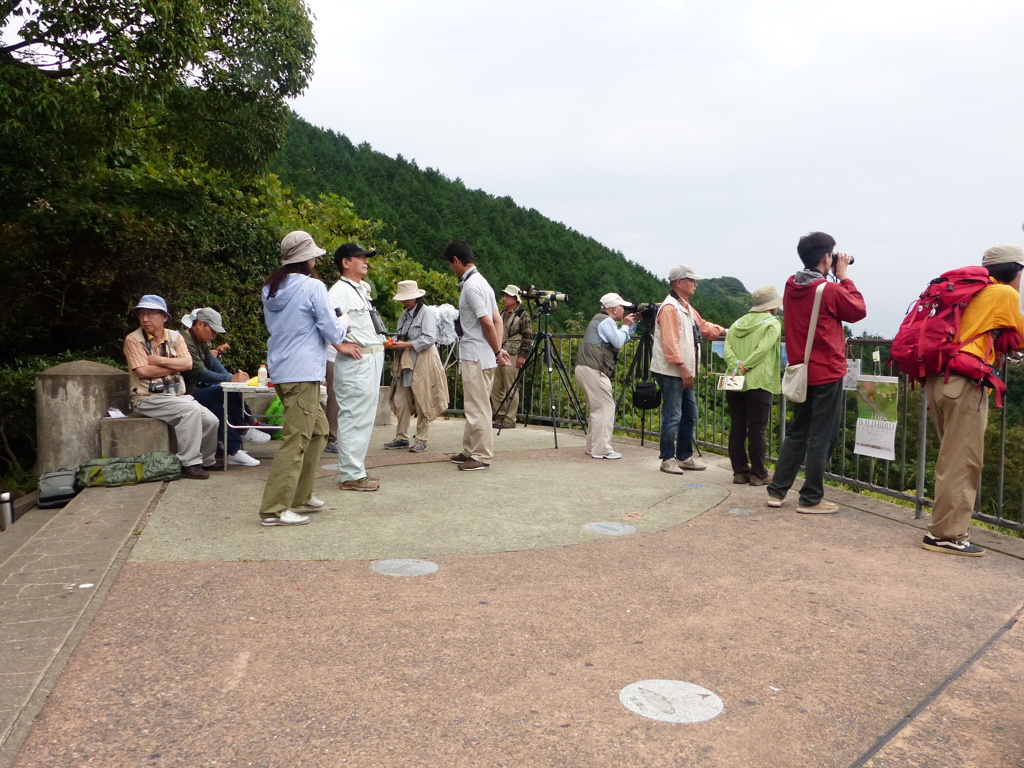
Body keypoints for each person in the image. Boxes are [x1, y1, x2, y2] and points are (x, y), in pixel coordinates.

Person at [922, 244, 1024, 556]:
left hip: (938, 380)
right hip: (966, 383)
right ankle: (947, 535)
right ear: (1014, 272)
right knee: (962, 462)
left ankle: (945, 528)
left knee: (950, 459)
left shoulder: (967, 292)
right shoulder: (1004, 294)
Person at [767, 232, 866, 513]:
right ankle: (811, 498)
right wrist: (844, 275)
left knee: (798, 431)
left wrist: (830, 271)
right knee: (823, 435)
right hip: (826, 372)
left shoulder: (791, 284)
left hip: (801, 370)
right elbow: (858, 310)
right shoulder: (830, 290)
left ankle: (777, 491)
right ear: (826, 257)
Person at [258, 230, 350, 527]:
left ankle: (300, 495)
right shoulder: (313, 287)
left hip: (283, 370)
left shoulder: (271, 288)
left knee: (319, 430)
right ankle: (274, 509)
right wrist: (344, 320)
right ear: (306, 258)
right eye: (314, 255)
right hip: (304, 373)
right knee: (296, 439)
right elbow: (333, 333)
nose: (316, 259)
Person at [123, 295, 220, 479]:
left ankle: (207, 460)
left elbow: (188, 365)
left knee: (211, 421)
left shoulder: (175, 336)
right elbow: (143, 372)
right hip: (147, 398)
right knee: (190, 411)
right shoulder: (133, 340)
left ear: (164, 317)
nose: (145, 319)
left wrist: (158, 361)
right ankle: (188, 463)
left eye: (151, 314)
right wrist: (173, 365)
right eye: (142, 314)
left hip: (176, 395)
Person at [650, 266, 727, 475]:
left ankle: (684, 456)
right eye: (692, 280)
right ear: (679, 282)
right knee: (673, 415)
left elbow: (703, 327)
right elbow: (670, 344)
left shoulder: (685, 307)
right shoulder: (669, 308)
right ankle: (667, 459)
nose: (695, 284)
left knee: (690, 414)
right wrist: (683, 368)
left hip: (683, 371)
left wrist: (727, 331)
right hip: (672, 371)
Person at [444, 239, 511, 471]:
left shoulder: (472, 286)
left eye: (451, 265)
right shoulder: (483, 283)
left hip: (476, 355)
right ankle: (469, 450)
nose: (452, 269)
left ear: (456, 260)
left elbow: (486, 322)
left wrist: (495, 350)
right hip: (485, 355)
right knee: (475, 404)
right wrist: (498, 349)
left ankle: (481, 455)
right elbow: (498, 320)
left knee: (478, 406)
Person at [329, 242, 386, 491]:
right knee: (353, 415)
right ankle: (350, 475)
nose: (366, 261)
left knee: (363, 417)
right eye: (360, 257)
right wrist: (339, 344)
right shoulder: (338, 291)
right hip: (357, 360)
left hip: (370, 358)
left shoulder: (358, 289)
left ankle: (356, 469)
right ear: (345, 262)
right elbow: (323, 318)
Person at [180, 307, 261, 467]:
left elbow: (213, 363)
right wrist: (231, 379)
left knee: (218, 406)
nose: (214, 335)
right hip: (185, 392)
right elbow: (200, 373)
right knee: (223, 391)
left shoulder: (200, 341)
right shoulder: (185, 341)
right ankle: (244, 428)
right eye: (212, 330)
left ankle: (233, 451)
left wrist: (233, 380)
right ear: (200, 324)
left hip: (195, 390)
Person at [723, 286, 783, 486]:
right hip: (759, 381)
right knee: (757, 429)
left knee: (737, 428)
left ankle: (739, 472)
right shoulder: (773, 324)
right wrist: (746, 367)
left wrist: (737, 367)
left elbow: (728, 348)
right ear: (772, 306)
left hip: (734, 381)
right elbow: (762, 349)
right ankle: (758, 473)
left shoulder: (736, 324)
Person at [383, 280, 449, 453]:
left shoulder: (426, 313)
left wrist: (404, 345)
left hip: (423, 361)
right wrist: (396, 344)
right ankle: (401, 436)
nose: (404, 301)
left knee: (422, 398)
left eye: (407, 298)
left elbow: (428, 339)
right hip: (405, 361)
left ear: (416, 297)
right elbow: (402, 337)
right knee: (401, 398)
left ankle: (421, 438)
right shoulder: (404, 315)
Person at [574, 293, 637, 459]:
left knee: (597, 408)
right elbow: (617, 342)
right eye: (622, 307)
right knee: (605, 408)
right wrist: (625, 326)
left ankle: (592, 447)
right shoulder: (606, 321)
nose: (624, 310)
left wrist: (631, 325)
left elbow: (618, 338)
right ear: (615, 308)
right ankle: (602, 449)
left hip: (584, 368)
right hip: (593, 369)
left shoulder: (598, 319)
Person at [490, 285, 534, 428]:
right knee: (495, 387)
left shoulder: (523, 315)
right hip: (499, 353)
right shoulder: (501, 313)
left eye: (507, 296)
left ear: (515, 298)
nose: (504, 298)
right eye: (503, 295)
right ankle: (500, 415)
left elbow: (528, 336)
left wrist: (523, 356)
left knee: (511, 387)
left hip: (513, 355)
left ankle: (510, 419)